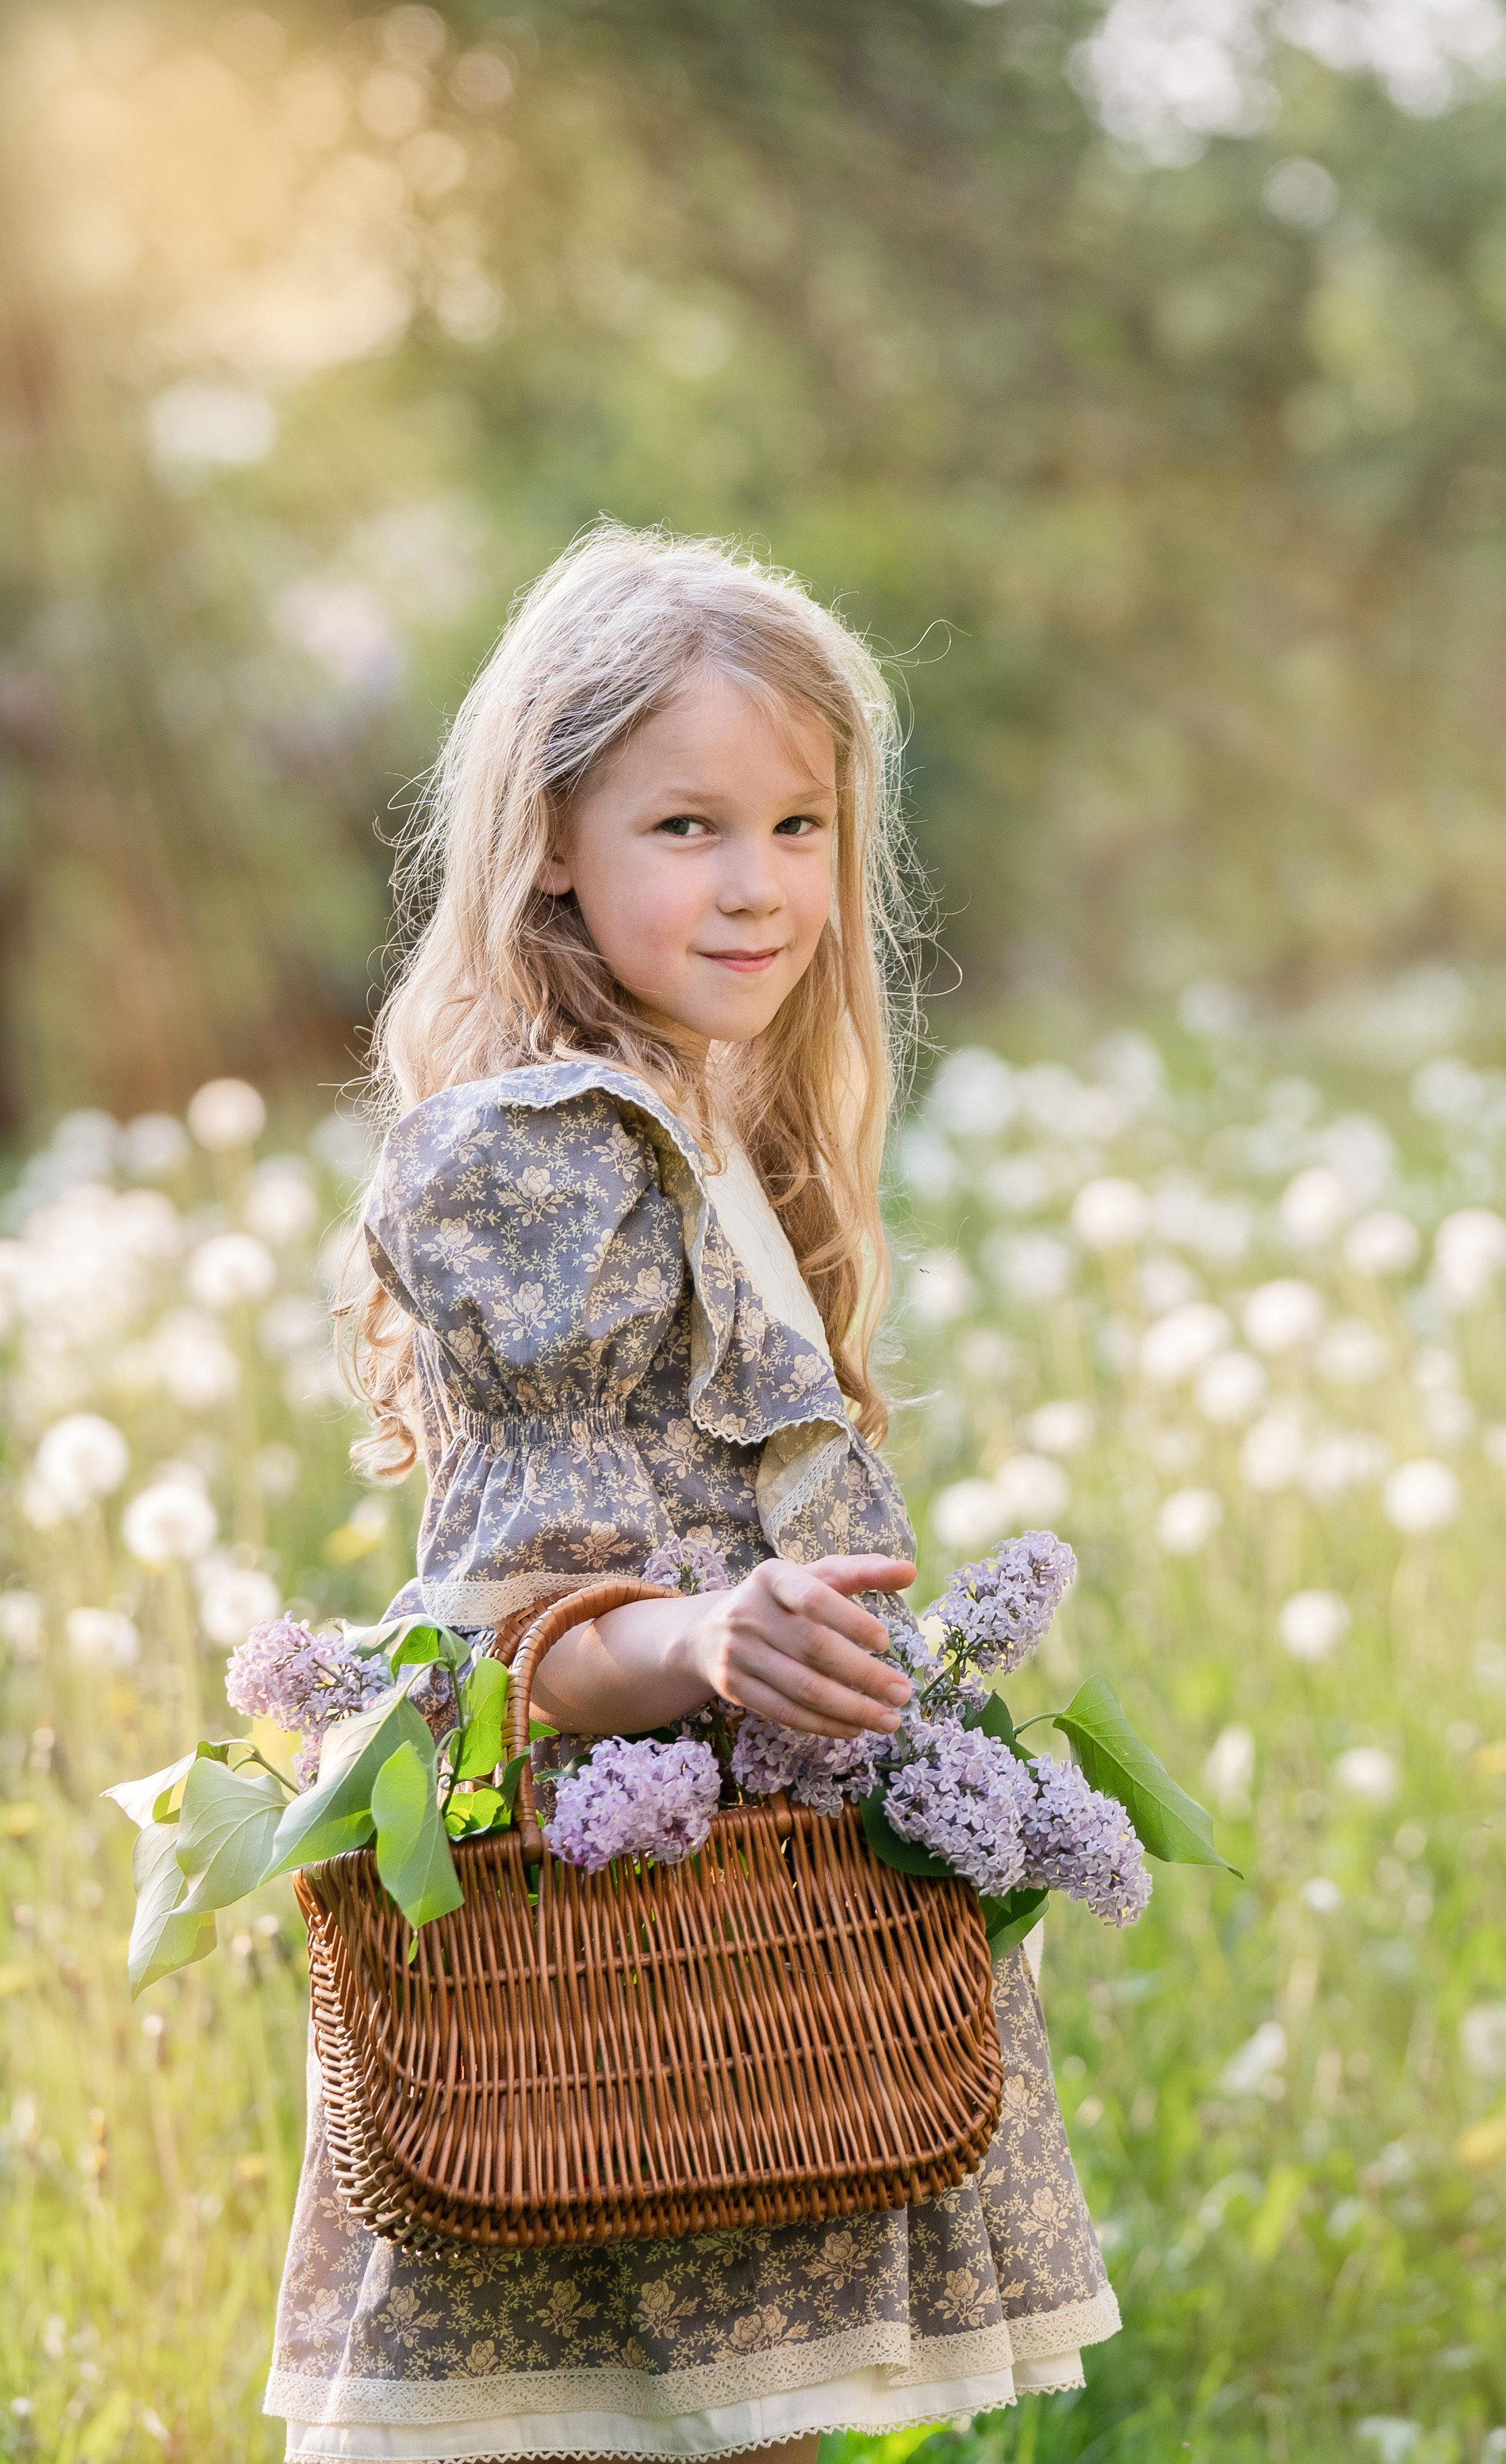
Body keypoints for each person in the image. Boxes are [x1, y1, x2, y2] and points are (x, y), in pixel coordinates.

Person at [266, 523, 1119, 2464]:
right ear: (551, 833)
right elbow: (503, 1641)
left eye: (801, 826)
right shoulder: (549, 1154)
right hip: (602, 2000)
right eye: (687, 828)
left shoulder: (711, 1114)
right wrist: (714, 1640)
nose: (759, 886)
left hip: (740, 1989)